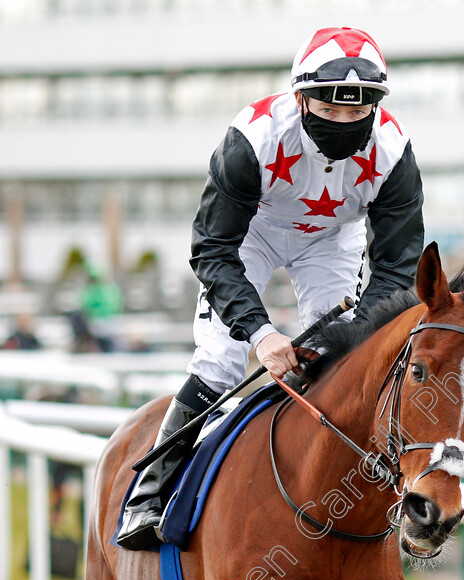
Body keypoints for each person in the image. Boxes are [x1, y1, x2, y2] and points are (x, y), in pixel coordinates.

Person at [117, 25, 425, 550]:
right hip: (249, 236)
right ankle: (147, 493)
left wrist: (345, 339)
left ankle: (352, 494)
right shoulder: (252, 139)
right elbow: (212, 249)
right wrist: (261, 335)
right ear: (301, 99)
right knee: (222, 359)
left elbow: (398, 268)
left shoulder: (394, 153)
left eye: (357, 113)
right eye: (330, 111)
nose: (345, 122)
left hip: (331, 242)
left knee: (348, 361)